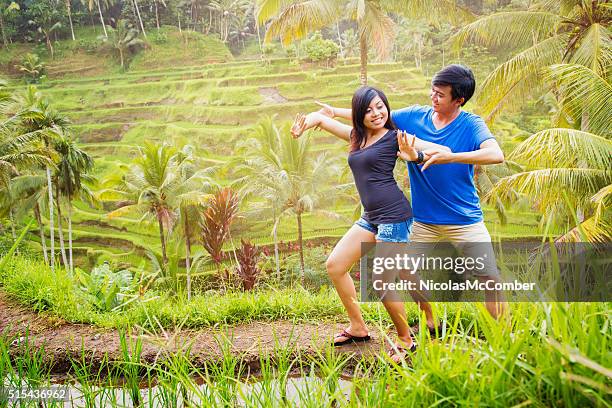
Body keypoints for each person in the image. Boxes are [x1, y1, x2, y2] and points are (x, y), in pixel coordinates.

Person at [318, 64, 509, 320]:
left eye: (440, 95)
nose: (433, 98)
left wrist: (449, 157)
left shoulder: (471, 124)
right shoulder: (415, 116)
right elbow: (376, 114)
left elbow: (496, 155)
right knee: (405, 270)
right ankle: (430, 318)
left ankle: (503, 336)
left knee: (490, 278)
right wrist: (334, 113)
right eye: (433, 91)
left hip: (464, 220)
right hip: (422, 220)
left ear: (459, 100)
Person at [291, 86, 449, 360]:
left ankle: (406, 340)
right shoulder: (356, 137)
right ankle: (359, 326)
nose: (376, 114)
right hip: (370, 217)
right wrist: (306, 124)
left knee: (383, 279)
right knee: (336, 265)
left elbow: (442, 150)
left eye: (379, 107)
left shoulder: (395, 137)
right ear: (358, 115)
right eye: (367, 110)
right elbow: (322, 120)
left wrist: (415, 155)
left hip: (395, 217)